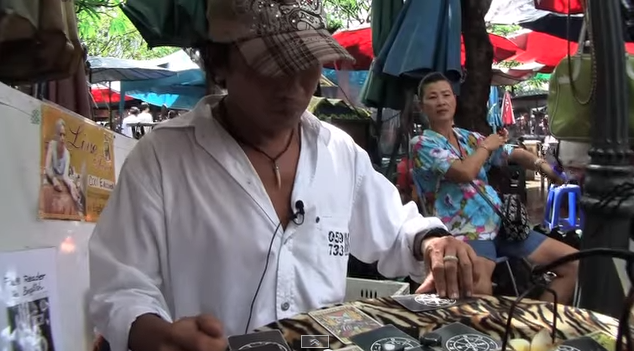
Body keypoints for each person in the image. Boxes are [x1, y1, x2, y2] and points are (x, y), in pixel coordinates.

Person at [87, 2, 482, 351]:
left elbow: (396, 231)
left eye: (306, 63)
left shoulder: (338, 152)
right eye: (271, 66)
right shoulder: (162, 158)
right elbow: (120, 285)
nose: (293, 87)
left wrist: (432, 243)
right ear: (219, 63)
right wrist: (157, 335)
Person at [412, 72, 579, 303]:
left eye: (446, 95)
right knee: (479, 291)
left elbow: (510, 151)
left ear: (454, 100)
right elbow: (463, 172)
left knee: (574, 264)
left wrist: (544, 167)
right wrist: (487, 147)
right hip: (464, 233)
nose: (441, 101)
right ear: (421, 105)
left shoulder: (467, 138)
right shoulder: (422, 143)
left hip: (504, 226)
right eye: (433, 97)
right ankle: (486, 332)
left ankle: (533, 329)